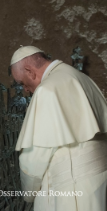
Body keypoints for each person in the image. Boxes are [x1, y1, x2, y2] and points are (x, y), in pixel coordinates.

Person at [10, 46, 107, 211]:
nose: (25, 90)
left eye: (22, 83)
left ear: (29, 70)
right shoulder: (81, 78)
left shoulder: (46, 90)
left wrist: (28, 193)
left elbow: (33, 160)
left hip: (70, 191)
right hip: (98, 183)